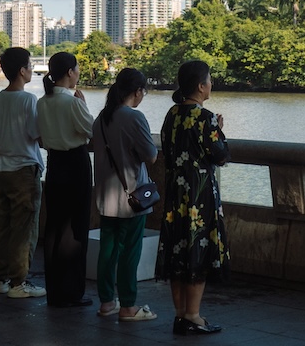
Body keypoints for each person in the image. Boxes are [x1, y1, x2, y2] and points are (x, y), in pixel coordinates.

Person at [155, 60, 229, 336]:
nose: (211, 84)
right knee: (198, 249)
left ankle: (180, 315)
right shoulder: (205, 117)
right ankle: (194, 315)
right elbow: (220, 155)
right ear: (200, 86)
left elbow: (167, 149)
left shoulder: (171, 114)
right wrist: (219, 130)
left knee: (178, 251)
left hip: (176, 194)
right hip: (199, 194)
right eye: (209, 80)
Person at [92, 68, 158, 322]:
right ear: (137, 91)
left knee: (108, 251)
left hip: (106, 197)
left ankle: (107, 302)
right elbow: (151, 155)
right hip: (132, 199)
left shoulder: (102, 118)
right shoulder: (134, 117)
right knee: (130, 251)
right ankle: (128, 306)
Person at [37, 51, 94, 307]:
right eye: (77, 68)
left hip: (55, 164)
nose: (78, 73)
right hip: (75, 163)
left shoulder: (43, 102)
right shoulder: (72, 102)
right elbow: (91, 130)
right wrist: (84, 106)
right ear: (70, 72)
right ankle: (71, 291)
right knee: (75, 226)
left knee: (54, 226)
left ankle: (54, 290)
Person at [0, 47, 45, 299]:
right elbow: (36, 134)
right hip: (23, 170)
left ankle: (2, 278)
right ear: (22, 71)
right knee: (24, 229)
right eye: (30, 66)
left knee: (2, 226)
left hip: (0, 169)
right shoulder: (28, 100)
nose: (32, 69)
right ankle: (19, 282)